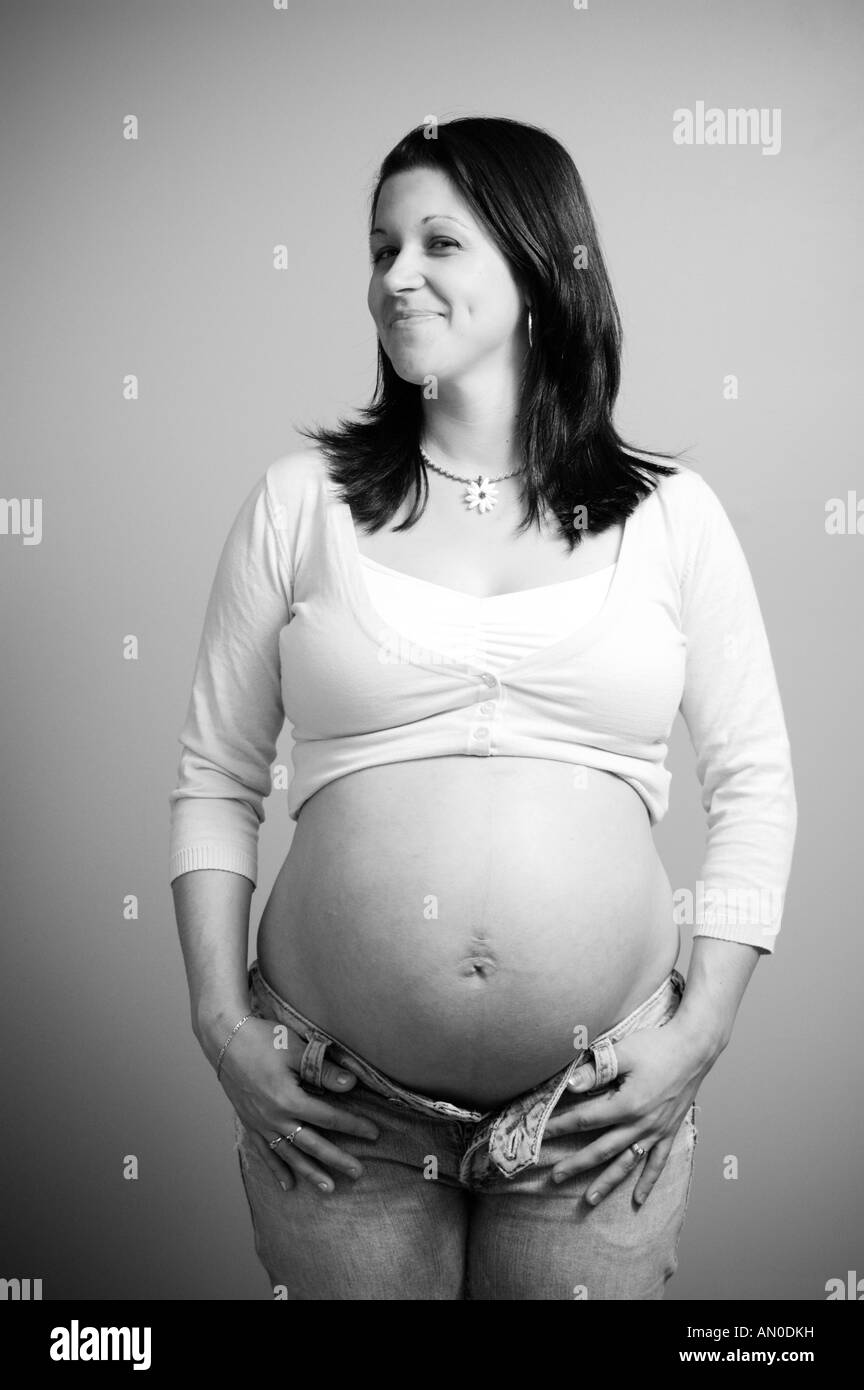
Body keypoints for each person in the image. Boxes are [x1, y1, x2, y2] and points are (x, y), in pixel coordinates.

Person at [168, 116, 797, 1301]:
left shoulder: (671, 517)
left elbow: (756, 779)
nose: (393, 276)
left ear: (541, 265)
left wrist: (699, 1030)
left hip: (596, 1105)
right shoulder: (298, 504)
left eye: (438, 243)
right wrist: (221, 1024)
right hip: (337, 1103)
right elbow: (216, 776)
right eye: (381, 246)